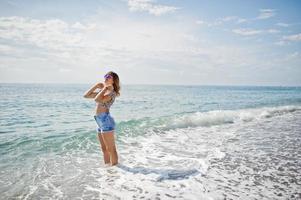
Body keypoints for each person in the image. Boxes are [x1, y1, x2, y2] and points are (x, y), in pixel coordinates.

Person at [83, 71, 121, 166]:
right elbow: (86, 95)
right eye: (105, 76)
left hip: (105, 120)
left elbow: (97, 99)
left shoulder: (112, 93)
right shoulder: (103, 91)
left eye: (108, 77)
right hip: (99, 120)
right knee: (104, 149)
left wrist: (104, 88)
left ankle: (116, 171)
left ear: (113, 81)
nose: (106, 78)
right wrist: (96, 85)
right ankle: (108, 170)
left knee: (111, 149)